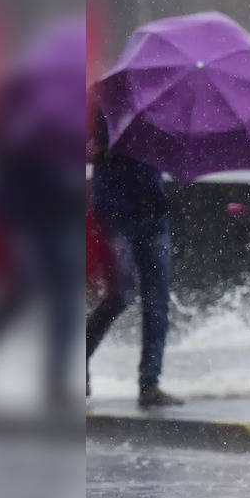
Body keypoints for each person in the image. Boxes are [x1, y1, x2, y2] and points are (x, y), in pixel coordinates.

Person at [86, 102, 182, 407]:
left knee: (157, 303)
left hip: (154, 217)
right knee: (120, 294)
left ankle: (149, 384)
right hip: (113, 217)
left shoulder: (163, 113)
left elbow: (172, 156)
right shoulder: (104, 107)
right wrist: (101, 145)